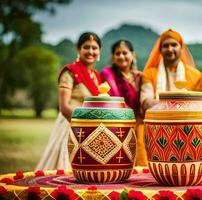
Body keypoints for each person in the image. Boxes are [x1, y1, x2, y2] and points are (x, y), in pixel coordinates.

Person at [36, 32, 102, 170]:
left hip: (92, 128)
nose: (90, 51)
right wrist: (85, 124)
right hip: (71, 126)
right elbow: (64, 107)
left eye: (94, 48)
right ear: (78, 49)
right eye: (86, 47)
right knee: (66, 169)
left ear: (99, 51)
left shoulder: (97, 76)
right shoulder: (70, 72)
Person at [100, 40, 144, 166]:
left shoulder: (139, 77)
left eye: (125, 53)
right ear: (113, 57)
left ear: (133, 55)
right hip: (117, 126)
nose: (121, 56)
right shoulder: (107, 73)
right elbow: (116, 99)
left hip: (138, 127)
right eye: (117, 53)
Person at [140, 29, 202, 112]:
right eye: (165, 46)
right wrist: (177, 105)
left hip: (187, 122)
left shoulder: (196, 75)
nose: (170, 49)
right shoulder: (149, 73)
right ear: (160, 50)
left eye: (174, 45)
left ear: (181, 47)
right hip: (156, 122)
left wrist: (165, 105)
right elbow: (146, 102)